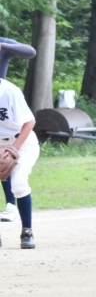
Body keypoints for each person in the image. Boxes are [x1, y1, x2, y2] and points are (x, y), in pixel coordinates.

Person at [0, 77, 40, 249]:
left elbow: (30, 122)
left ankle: (27, 232)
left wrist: (14, 148)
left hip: (23, 142)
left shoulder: (10, 91)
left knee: (18, 182)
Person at [0, 37, 36, 224]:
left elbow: (30, 52)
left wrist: (3, 46)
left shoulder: (2, 43)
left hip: (4, 99)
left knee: (6, 160)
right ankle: (10, 205)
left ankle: (11, 205)